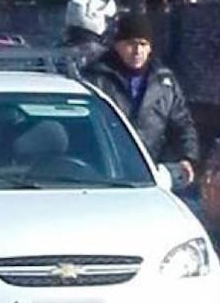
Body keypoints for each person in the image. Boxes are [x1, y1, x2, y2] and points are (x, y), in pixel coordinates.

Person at [81, 12, 199, 188]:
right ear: (117, 45)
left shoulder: (164, 82)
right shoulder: (96, 78)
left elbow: (182, 124)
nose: (137, 51)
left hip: (149, 175)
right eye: (131, 44)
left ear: (150, 47)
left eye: (143, 44)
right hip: (102, 175)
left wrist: (187, 158)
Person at [61, 0, 119, 70]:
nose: (111, 26)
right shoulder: (105, 57)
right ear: (95, 16)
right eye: (107, 19)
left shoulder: (52, 53)